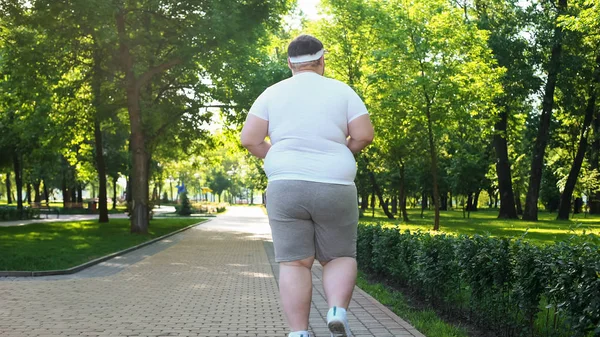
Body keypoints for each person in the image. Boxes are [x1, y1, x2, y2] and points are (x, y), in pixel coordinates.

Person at [240, 34, 374, 337]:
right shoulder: (343, 92)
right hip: (335, 185)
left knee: (295, 264)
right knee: (338, 255)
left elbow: (249, 138)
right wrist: (341, 152)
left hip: (286, 185)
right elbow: (364, 134)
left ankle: (299, 332)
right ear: (322, 61)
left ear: (290, 63)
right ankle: (337, 310)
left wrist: (276, 154)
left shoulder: (271, 94)